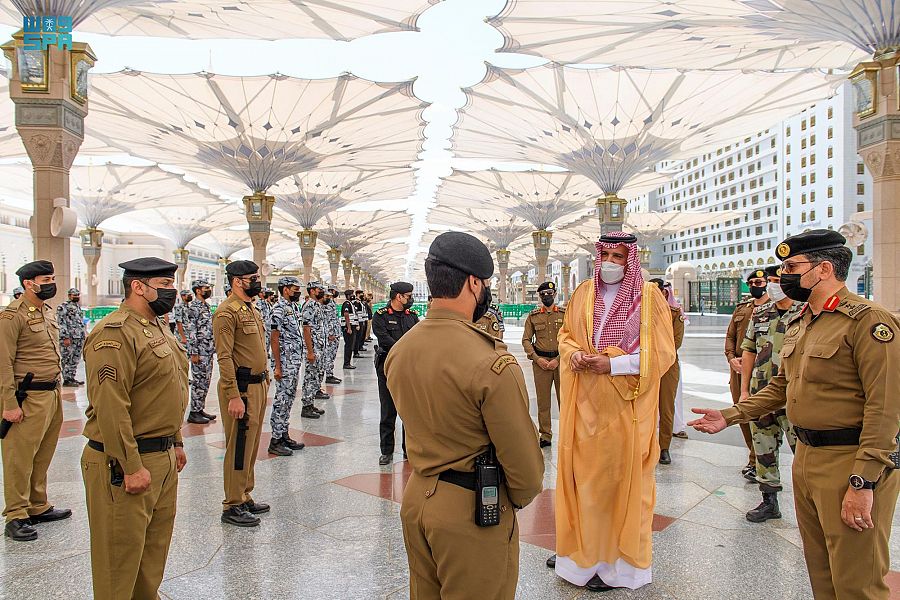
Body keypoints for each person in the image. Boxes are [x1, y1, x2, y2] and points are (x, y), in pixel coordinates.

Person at [690, 229, 900, 600]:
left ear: (822, 269)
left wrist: (863, 482)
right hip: (806, 458)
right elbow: (781, 388)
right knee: (822, 573)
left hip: (849, 461)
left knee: (858, 582)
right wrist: (731, 414)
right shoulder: (803, 320)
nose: (783, 275)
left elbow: (885, 409)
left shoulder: (868, 322)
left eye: (791, 266)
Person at [386, 231, 544, 599]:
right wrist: (511, 500)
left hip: (417, 498)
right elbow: (526, 468)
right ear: (474, 283)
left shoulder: (402, 350)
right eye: (484, 283)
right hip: (472, 509)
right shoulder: (491, 361)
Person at [548, 232, 676, 592]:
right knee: (582, 480)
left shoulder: (648, 298)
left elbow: (662, 354)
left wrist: (613, 365)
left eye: (620, 257)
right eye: (607, 255)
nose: (612, 263)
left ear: (630, 260)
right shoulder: (583, 293)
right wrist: (573, 354)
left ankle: (616, 567)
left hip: (626, 407)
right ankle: (578, 557)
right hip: (584, 403)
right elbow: (566, 335)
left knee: (619, 484)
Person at [81, 257, 188, 598]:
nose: (173, 291)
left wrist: (176, 441)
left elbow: (166, 391)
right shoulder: (113, 334)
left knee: (151, 556)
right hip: (125, 461)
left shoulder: (157, 326)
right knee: (119, 563)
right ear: (139, 287)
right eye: (166, 285)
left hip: (161, 456)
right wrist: (130, 465)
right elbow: (111, 407)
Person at [1, 260, 71, 542]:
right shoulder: (11, 316)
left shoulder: (47, 312)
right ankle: (16, 514)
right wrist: (9, 404)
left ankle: (37, 504)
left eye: (52, 277)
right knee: (20, 457)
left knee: (42, 453)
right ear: (29, 283)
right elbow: (3, 363)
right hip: (26, 396)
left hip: (51, 393)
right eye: (46, 278)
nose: (51, 282)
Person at [737, 265, 803, 522]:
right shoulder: (761, 313)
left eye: (777, 279)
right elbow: (749, 351)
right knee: (764, 448)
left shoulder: (804, 312)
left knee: (803, 451)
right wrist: (744, 391)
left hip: (794, 394)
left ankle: (811, 503)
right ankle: (769, 501)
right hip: (761, 392)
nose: (773, 284)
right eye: (771, 280)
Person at [214, 260, 271, 527]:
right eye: (253, 278)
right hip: (241, 388)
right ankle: (232, 504)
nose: (257, 282)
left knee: (250, 444)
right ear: (237, 281)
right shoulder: (227, 312)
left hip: (257, 385)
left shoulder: (250, 308)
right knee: (238, 446)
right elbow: (224, 357)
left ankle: (244, 493)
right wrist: (233, 395)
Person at [724, 269, 769, 479]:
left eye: (758, 282)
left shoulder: (779, 310)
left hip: (764, 371)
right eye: (751, 282)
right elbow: (730, 336)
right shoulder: (743, 309)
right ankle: (753, 457)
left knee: (763, 417)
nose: (754, 286)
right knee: (742, 414)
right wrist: (731, 357)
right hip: (739, 372)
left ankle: (759, 461)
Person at [372, 281, 419, 466]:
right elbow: (384, 339)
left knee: (409, 411)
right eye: (408, 296)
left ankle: (409, 449)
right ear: (398, 296)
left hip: (408, 368)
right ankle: (386, 451)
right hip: (387, 368)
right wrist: (405, 349)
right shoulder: (381, 316)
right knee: (388, 410)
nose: (411, 300)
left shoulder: (412, 316)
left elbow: (418, 337)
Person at [521, 281, 565, 449]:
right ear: (540, 297)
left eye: (549, 293)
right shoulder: (533, 316)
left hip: (560, 363)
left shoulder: (564, 314)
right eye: (543, 294)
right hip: (541, 363)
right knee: (543, 401)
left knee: (565, 400)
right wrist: (536, 358)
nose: (547, 296)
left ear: (555, 295)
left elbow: (570, 339)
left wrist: (559, 359)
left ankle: (567, 434)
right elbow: (526, 339)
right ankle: (545, 435)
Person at [268, 276, 308, 453]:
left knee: (289, 398)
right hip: (284, 362)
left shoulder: (293, 307)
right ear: (285, 289)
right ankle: (275, 440)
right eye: (295, 288)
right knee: (281, 399)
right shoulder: (278, 308)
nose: (298, 291)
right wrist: (277, 366)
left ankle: (283, 434)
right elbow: (274, 338)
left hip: (293, 361)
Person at [651, 278, 685, 465]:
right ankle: (644, 445)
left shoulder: (674, 314)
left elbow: (675, 343)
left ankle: (664, 447)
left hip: (667, 365)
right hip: (642, 364)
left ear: (665, 293)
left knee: (666, 407)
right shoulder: (640, 314)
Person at [185, 279, 217, 424]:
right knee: (198, 382)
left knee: (206, 381)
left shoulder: (205, 306)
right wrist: (193, 352)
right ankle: (194, 412)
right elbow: (191, 331)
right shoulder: (194, 308)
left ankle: (200, 408)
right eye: (206, 288)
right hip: (199, 351)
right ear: (198, 290)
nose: (208, 290)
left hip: (208, 350)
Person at [299, 281, 328, 418]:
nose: (321, 291)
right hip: (313, 348)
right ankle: (306, 406)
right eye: (319, 289)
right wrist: (310, 351)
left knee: (315, 375)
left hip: (319, 347)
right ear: (312, 291)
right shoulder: (309, 305)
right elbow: (306, 329)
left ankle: (311, 403)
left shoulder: (317, 305)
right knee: (310, 377)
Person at [57, 286, 86, 387]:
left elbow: (80, 322)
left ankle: (72, 377)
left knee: (76, 358)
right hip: (69, 338)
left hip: (79, 338)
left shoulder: (77, 307)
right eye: (75, 295)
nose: (77, 297)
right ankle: (66, 379)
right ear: (69, 296)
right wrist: (65, 337)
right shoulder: (63, 307)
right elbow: (61, 323)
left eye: (78, 295)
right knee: (67, 358)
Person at [322, 287, 342, 385]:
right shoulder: (328, 304)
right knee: (329, 354)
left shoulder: (332, 303)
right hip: (331, 333)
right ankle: (329, 375)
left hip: (335, 332)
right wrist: (330, 333)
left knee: (332, 354)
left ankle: (330, 373)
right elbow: (328, 319)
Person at [341, 290, 360, 370]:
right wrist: (349, 327)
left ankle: (348, 362)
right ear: (348, 295)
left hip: (352, 326)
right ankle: (346, 363)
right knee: (349, 345)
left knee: (351, 345)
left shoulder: (350, 303)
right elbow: (346, 315)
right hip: (349, 327)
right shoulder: (347, 303)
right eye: (351, 294)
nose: (353, 295)